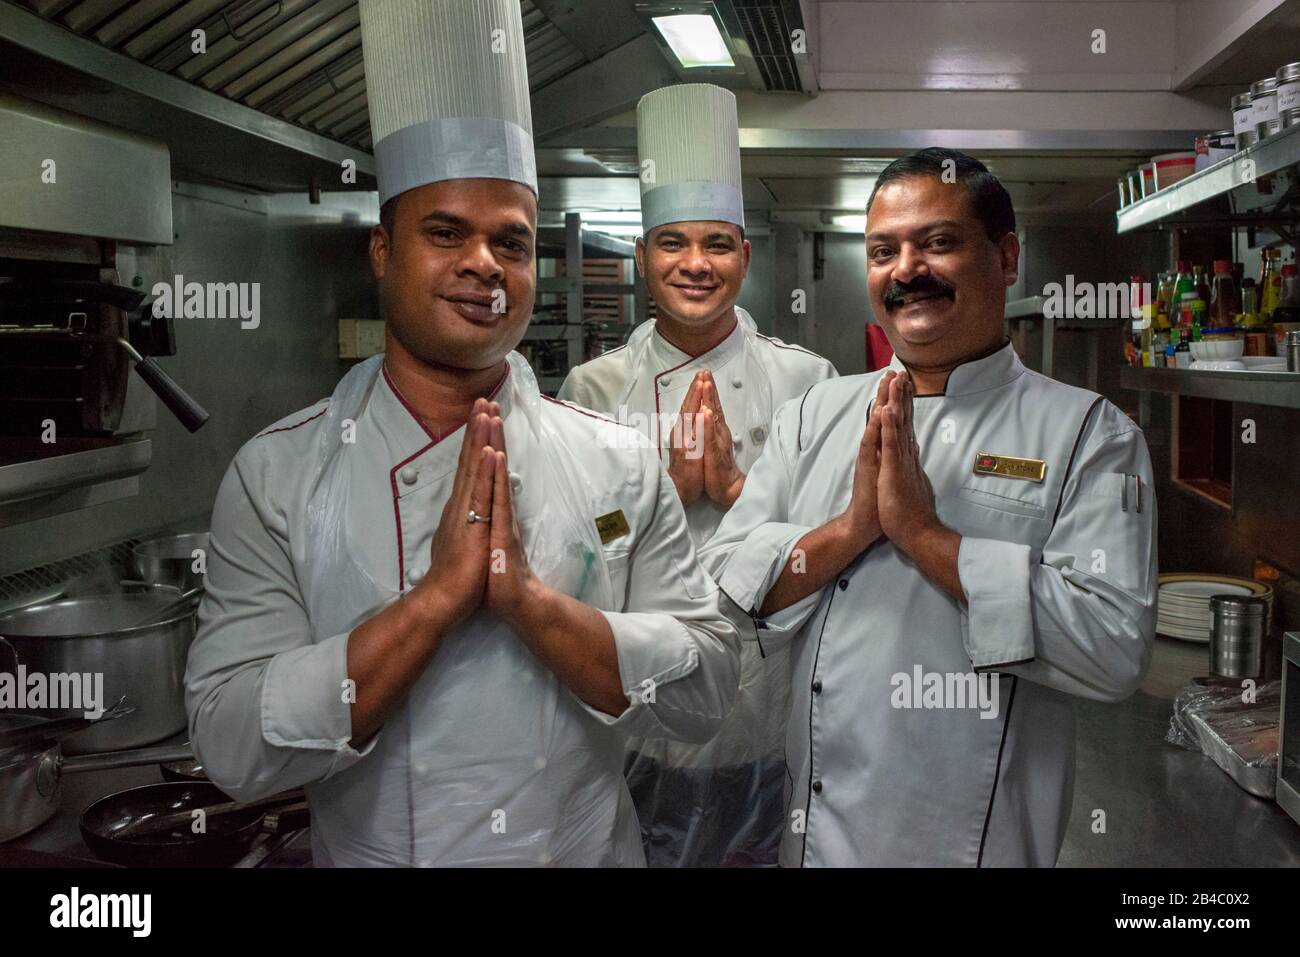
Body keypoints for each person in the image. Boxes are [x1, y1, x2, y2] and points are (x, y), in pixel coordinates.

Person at [184, 0, 740, 867]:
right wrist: (434, 603)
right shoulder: (278, 473)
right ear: (383, 251)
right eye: (446, 233)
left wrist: (532, 604)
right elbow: (228, 743)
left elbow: (709, 685)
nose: (483, 263)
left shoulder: (615, 459)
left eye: (510, 243)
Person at [700, 147, 1157, 867]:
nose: (906, 269)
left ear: (1006, 258)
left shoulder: (1088, 435)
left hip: (973, 845)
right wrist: (852, 530)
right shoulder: (817, 412)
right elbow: (723, 582)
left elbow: (1111, 646)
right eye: (884, 251)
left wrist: (924, 535)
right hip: (814, 838)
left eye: (937, 242)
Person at [558, 84, 835, 867]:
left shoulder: (807, 381)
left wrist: (739, 492)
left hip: (768, 710)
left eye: (717, 243)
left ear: (746, 256)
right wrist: (669, 495)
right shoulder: (594, 389)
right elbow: (573, 562)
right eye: (672, 242)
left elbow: (837, 550)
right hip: (640, 715)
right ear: (642, 256)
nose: (695, 264)